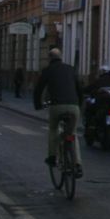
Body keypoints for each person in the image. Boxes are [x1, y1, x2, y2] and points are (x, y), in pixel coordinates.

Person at [34, 47, 83, 175]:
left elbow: (38, 89)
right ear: (61, 57)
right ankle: (77, 164)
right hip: (74, 106)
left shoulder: (48, 70)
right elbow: (79, 88)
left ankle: (52, 157)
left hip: (57, 106)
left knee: (53, 130)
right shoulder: (71, 69)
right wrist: (80, 104)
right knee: (73, 133)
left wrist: (37, 105)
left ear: (50, 58)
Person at [84, 64, 110, 130]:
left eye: (101, 71)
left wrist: (84, 90)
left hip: (100, 103)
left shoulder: (99, 80)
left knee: (89, 109)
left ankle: (90, 125)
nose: (100, 73)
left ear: (104, 72)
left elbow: (90, 88)